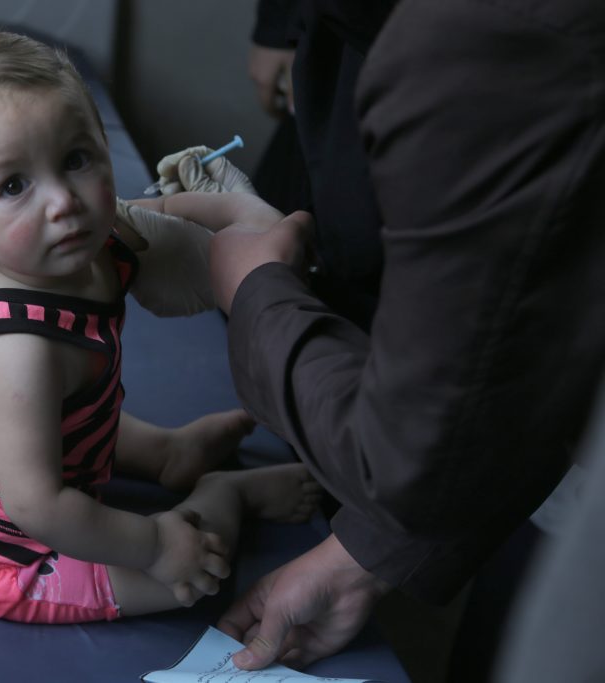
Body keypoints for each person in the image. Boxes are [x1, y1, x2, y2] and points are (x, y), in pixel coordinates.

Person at [155, 0, 605, 672]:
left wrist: (256, 295)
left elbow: (414, 454)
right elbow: (513, 341)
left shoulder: (483, 49)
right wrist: (363, 558)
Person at [0, 31, 321, 625]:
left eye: (75, 159)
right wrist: (155, 545)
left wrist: (238, 214)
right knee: (192, 578)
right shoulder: (17, 352)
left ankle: (169, 453)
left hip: (43, 450)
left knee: (68, 419)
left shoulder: (85, 241)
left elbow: (159, 214)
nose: (63, 202)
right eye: (14, 185)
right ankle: (225, 495)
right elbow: (37, 507)